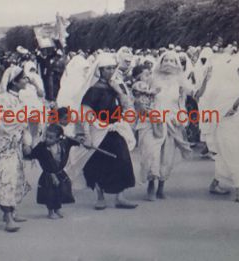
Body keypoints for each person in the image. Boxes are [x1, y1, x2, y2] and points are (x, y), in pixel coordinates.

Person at [64, 52, 138, 210]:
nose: (111, 71)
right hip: (98, 131)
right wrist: (88, 136)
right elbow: (85, 114)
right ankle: (100, 197)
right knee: (96, 163)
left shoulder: (115, 87)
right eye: (107, 69)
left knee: (122, 160)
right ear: (100, 70)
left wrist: (119, 91)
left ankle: (120, 196)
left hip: (115, 129)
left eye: (113, 68)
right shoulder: (93, 90)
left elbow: (127, 106)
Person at [0, 66, 32, 232]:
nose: (27, 80)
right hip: (1, 147)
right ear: (14, 82)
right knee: (6, 179)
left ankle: (12, 212)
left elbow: (24, 126)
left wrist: (26, 142)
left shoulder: (20, 100)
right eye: (23, 78)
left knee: (16, 178)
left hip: (15, 147)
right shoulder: (0, 100)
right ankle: (8, 218)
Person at [207, 54, 239, 203]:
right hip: (227, 126)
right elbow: (228, 111)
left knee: (230, 157)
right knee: (233, 156)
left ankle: (214, 184)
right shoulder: (225, 87)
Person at [146, 51, 193, 199]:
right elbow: (144, 97)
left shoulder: (180, 81)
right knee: (152, 152)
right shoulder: (152, 78)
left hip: (172, 120)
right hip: (154, 120)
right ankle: (150, 184)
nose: (169, 63)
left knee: (167, 155)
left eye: (173, 61)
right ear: (160, 61)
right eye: (166, 60)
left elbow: (185, 100)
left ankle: (161, 186)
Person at [25, 124, 78, 219]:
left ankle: (57, 209)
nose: (47, 139)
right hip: (48, 175)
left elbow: (75, 141)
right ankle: (50, 212)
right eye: (46, 136)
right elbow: (31, 154)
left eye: (51, 137)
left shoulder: (64, 143)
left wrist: (82, 141)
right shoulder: (41, 147)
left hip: (59, 173)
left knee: (59, 192)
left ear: (58, 138)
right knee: (50, 193)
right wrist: (27, 150)